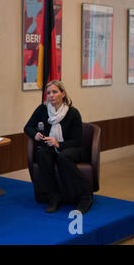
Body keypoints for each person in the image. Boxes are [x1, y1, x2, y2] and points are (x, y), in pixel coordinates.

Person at [24, 80, 93, 214]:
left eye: (55, 92)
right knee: (42, 154)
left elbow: (77, 141)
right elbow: (27, 127)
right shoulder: (42, 109)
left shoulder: (73, 113)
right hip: (50, 147)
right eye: (48, 93)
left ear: (63, 94)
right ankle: (53, 196)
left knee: (63, 157)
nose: (51, 95)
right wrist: (35, 134)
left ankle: (85, 196)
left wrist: (59, 144)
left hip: (72, 148)